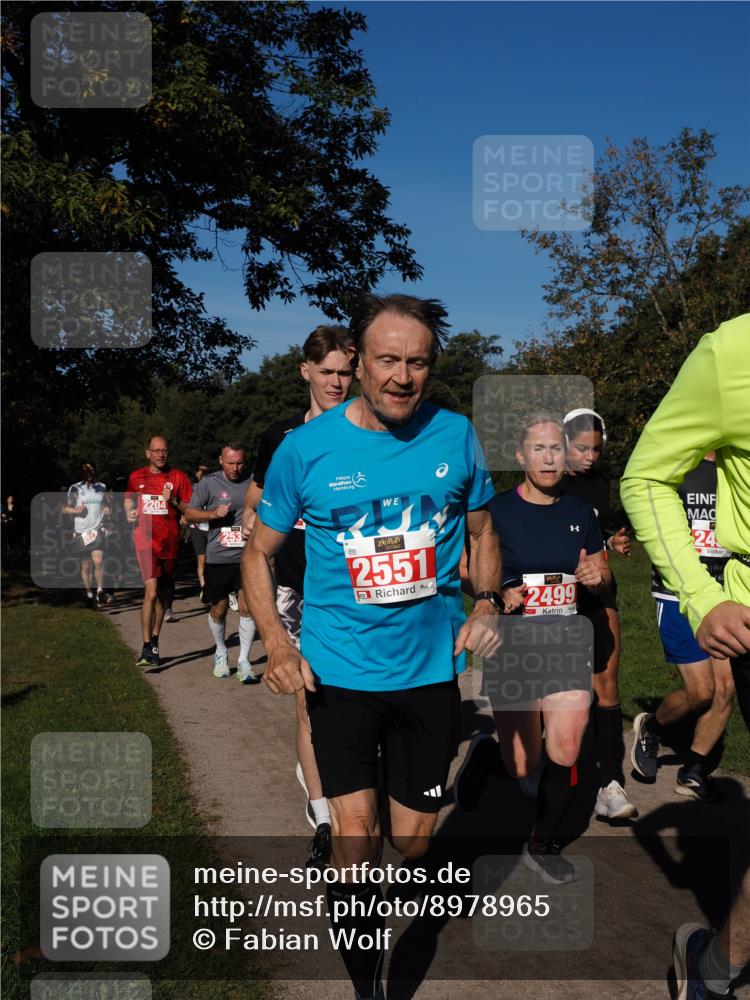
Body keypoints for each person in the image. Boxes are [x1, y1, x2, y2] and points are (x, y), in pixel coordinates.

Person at [243, 293, 501, 1000]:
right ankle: (370, 991)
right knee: (357, 841)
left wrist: (487, 599)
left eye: (417, 362)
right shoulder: (306, 450)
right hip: (340, 674)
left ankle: (465, 771)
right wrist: (277, 641)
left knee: (413, 844)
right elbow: (257, 554)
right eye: (387, 359)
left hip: (426, 675)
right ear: (358, 363)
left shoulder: (456, 437)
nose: (401, 375)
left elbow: (482, 533)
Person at [621, 312, 750, 1000]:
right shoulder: (731, 353)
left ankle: (715, 963)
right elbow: (645, 480)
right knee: (706, 693)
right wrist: (702, 597)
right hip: (724, 602)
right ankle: (717, 967)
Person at [455, 413, 612, 884]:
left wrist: (595, 576)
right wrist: (499, 592)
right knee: (522, 763)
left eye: (556, 450)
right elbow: (464, 566)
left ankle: (543, 842)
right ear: (521, 457)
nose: (548, 458)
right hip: (515, 643)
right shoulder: (496, 511)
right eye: (538, 450)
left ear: (566, 458)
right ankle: (487, 757)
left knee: (565, 746)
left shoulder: (581, 513)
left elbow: (602, 571)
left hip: (566, 640)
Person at [241, 324, 355, 867]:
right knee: (312, 697)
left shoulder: (370, 433)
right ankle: (324, 814)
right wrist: (252, 518)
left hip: (355, 587)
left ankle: (348, 787)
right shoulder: (280, 436)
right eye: (327, 371)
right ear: (305, 371)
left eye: (345, 372)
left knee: (352, 697)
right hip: (294, 581)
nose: (336, 381)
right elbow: (262, 491)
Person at [632, 453, 735, 801]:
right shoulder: (675, 466)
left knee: (725, 688)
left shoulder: (736, 471)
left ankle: (693, 769)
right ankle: (653, 727)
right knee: (701, 692)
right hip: (676, 595)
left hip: (724, 595)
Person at [560, 409, 637, 820]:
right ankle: (512, 762)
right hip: (556, 596)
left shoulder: (602, 482)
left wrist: (612, 539)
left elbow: (593, 529)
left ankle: (610, 785)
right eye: (581, 448)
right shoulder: (550, 480)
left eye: (595, 448)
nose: (590, 457)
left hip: (600, 590)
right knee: (559, 693)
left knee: (607, 687)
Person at [185, 443, 257, 682]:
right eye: (230, 463)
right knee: (219, 608)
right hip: (219, 556)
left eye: (239, 463)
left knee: (247, 608)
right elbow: (190, 514)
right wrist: (213, 514)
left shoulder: (254, 482)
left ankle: (244, 661)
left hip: (247, 556)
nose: (235, 468)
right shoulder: (209, 484)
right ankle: (221, 651)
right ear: (220, 460)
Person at [125, 436, 192, 667]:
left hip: (169, 542)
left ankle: (154, 640)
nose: (161, 455)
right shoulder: (136, 477)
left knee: (162, 596)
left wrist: (175, 503)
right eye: (156, 451)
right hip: (145, 540)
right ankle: (145, 647)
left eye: (164, 451)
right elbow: (128, 501)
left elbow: (189, 509)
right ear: (148, 453)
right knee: (151, 592)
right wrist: (129, 513)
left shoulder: (178, 477)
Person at [61, 461, 111, 608]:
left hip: (97, 530)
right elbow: (63, 509)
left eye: (91, 470)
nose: (89, 472)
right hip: (81, 533)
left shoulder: (101, 487)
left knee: (98, 560)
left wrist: (106, 509)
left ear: (94, 471)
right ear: (82, 472)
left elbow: (105, 504)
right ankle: (89, 593)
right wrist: (75, 511)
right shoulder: (75, 488)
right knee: (85, 567)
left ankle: (100, 591)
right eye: (85, 470)